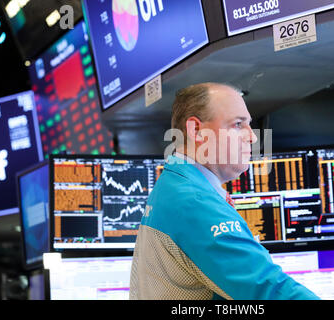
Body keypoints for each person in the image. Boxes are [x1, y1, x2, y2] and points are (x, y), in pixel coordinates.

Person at [129, 82, 320, 300]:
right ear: (196, 130)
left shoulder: (173, 185)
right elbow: (268, 291)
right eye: (238, 124)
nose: (253, 137)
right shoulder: (194, 202)